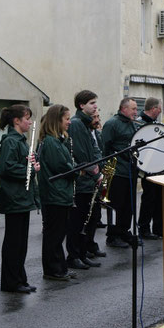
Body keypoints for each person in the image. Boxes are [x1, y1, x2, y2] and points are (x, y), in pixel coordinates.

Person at [0, 104, 40, 293]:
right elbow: (6, 169)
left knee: (21, 242)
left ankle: (20, 279)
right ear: (17, 121)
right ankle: (10, 282)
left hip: (22, 197)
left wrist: (30, 164)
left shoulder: (20, 141)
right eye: (27, 118)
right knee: (14, 243)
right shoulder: (10, 142)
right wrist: (30, 169)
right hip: (14, 198)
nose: (30, 122)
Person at [37, 104, 76, 281]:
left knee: (58, 233)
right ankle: (53, 269)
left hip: (60, 194)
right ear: (57, 120)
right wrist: (77, 169)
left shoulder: (57, 140)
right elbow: (62, 166)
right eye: (67, 119)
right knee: (54, 234)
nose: (69, 122)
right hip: (55, 195)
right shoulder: (51, 142)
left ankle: (60, 267)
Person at [65, 90, 103, 270]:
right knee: (78, 221)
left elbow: (94, 149)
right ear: (81, 105)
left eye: (95, 103)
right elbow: (81, 153)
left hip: (90, 180)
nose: (95, 106)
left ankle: (82, 252)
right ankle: (74, 255)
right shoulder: (77, 124)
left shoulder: (87, 125)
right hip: (82, 182)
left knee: (89, 220)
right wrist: (94, 173)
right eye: (91, 103)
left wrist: (99, 171)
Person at [101, 97, 139, 248]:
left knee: (128, 206)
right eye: (133, 109)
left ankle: (124, 231)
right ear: (124, 109)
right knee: (116, 204)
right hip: (117, 171)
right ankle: (113, 235)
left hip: (130, 170)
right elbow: (105, 147)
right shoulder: (112, 124)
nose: (136, 112)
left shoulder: (133, 124)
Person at [137, 97, 163, 241]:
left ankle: (158, 229)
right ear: (154, 109)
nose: (160, 111)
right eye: (159, 108)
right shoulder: (140, 123)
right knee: (149, 198)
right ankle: (144, 228)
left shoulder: (154, 123)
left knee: (159, 198)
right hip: (147, 166)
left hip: (158, 167)